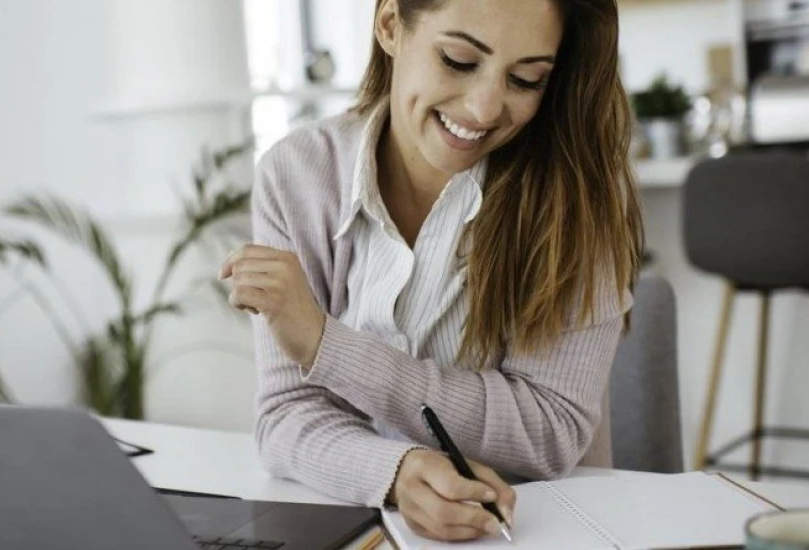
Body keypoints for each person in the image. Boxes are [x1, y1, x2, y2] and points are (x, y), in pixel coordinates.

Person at [219, 0, 643, 543]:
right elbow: (285, 418)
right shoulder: (300, 174)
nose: (486, 107)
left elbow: (549, 433)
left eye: (526, 79)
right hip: (372, 531)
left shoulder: (580, 199)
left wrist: (327, 347)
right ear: (391, 24)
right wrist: (395, 472)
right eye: (459, 60)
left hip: (541, 532)